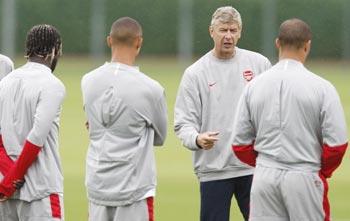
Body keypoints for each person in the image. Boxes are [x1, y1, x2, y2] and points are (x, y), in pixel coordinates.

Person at [232, 18, 348, 221]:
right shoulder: (322, 88)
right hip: (305, 174)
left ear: (277, 43)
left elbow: (239, 144)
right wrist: (319, 169)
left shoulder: (254, 86)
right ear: (307, 45)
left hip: (264, 177)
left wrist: (264, 162)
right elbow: (337, 146)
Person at [174, 6, 271, 221]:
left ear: (240, 32)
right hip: (214, 170)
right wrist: (197, 139)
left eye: (233, 30)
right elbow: (183, 123)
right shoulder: (195, 73)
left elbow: (274, 110)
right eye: (223, 30)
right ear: (211, 31)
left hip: (254, 168)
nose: (228, 36)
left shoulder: (260, 64)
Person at [81, 17, 167, 221]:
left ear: (109, 41)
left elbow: (93, 124)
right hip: (134, 190)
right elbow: (160, 138)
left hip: (97, 185)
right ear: (139, 42)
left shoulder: (88, 80)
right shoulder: (151, 88)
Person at [0, 24, 65, 220]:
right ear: (54, 50)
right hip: (41, 191)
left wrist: (7, 177)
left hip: (6, 193)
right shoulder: (53, 85)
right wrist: (14, 178)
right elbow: (37, 137)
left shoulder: (5, 82)